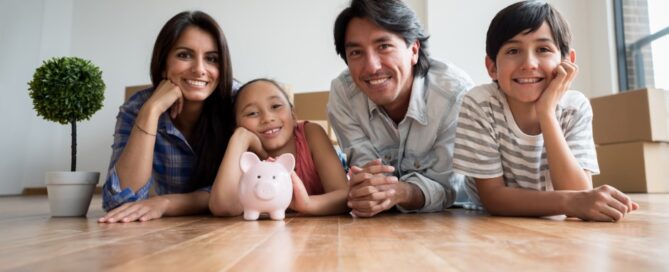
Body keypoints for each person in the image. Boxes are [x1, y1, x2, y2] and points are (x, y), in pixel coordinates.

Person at [453, 1, 639, 221]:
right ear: (492, 67)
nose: (529, 63)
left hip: (553, 219)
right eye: (513, 51)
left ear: (567, 61)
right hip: (488, 219)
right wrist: (570, 202)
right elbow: (493, 198)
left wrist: (547, 113)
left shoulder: (574, 107)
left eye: (543, 49)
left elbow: (578, 192)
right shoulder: (480, 103)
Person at [328, 0, 474, 217]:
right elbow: (368, 175)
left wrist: (402, 192)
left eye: (383, 46)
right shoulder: (344, 94)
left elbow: (447, 187)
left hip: (453, 219)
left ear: (414, 49)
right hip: (378, 225)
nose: (372, 67)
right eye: (356, 53)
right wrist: (372, 190)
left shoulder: (454, 95)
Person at [99, 11, 238, 223]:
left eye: (212, 59)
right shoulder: (138, 107)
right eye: (184, 55)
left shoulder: (238, 102)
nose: (200, 69)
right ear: (163, 64)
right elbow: (119, 201)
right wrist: (151, 111)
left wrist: (166, 203)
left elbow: (246, 188)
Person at [209, 79, 349, 216]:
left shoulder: (311, 134)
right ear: (236, 125)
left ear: (293, 114)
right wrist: (240, 137)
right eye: (252, 113)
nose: (267, 118)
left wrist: (307, 204)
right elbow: (224, 207)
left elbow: (344, 195)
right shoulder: (242, 152)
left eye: (276, 106)